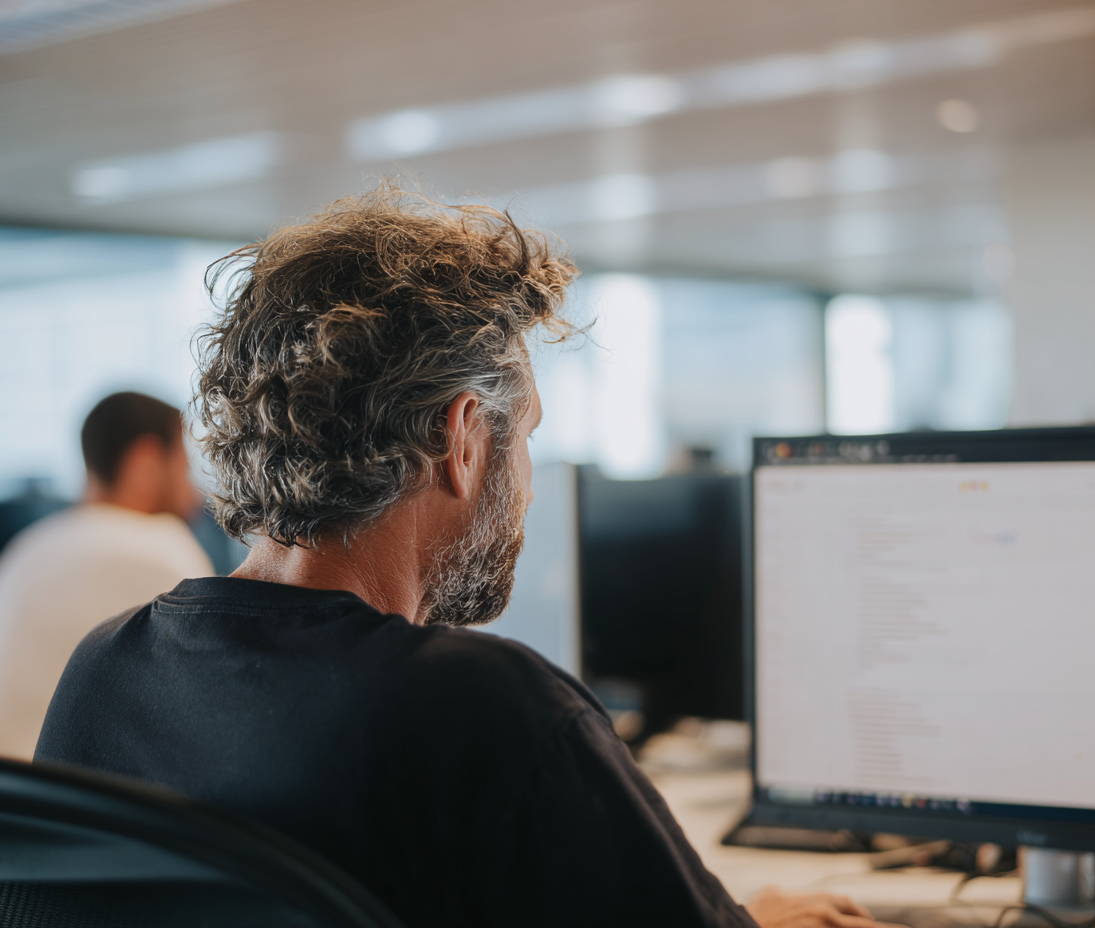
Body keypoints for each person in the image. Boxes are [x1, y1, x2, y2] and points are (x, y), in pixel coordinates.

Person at [36, 189, 895, 928]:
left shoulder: (106, 672)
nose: (524, 487)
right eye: (522, 438)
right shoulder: (484, 707)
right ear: (461, 439)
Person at [0, 392, 214, 760]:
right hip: (91, 808)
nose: (193, 494)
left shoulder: (29, 545)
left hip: (17, 799)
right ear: (145, 462)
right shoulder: (161, 547)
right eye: (183, 467)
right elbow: (212, 704)